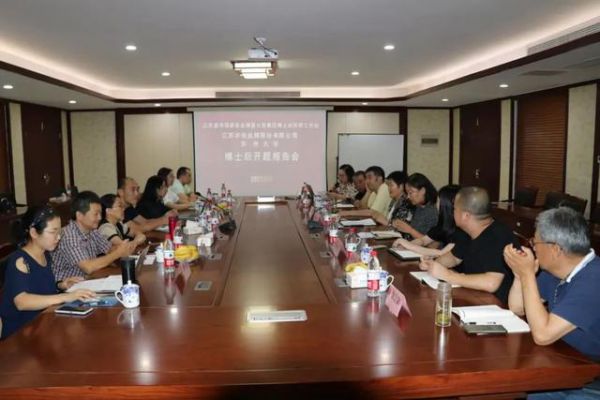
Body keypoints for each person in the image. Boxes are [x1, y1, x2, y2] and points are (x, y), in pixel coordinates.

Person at [504, 207, 600, 368]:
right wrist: (520, 275)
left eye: (535, 242)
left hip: (590, 368)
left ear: (555, 249)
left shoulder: (594, 279)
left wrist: (527, 275)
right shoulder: (555, 270)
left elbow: (543, 336)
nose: (533, 247)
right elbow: (518, 308)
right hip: (563, 355)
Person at [0, 206, 96, 339]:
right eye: (53, 232)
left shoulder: (45, 255)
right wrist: (66, 297)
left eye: (60, 232)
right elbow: (22, 302)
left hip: (41, 325)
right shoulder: (20, 261)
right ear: (34, 233)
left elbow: (38, 287)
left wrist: (60, 285)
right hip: (20, 334)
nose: (58, 237)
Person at [419, 186, 517, 304]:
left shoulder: (498, 235)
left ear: (465, 216)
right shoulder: (467, 230)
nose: (452, 212)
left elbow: (491, 283)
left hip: (496, 304)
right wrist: (433, 264)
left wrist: (448, 275)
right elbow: (454, 258)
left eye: (455, 209)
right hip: (472, 295)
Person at [51, 191, 136, 281]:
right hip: (68, 285)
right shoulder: (69, 236)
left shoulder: (92, 231)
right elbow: (88, 267)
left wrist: (124, 247)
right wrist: (118, 253)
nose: (100, 218)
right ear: (79, 215)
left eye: (100, 213)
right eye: (95, 214)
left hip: (88, 280)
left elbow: (109, 249)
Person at [394, 184, 466, 257]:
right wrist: (406, 246)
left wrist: (409, 245)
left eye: (438, 201)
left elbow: (441, 253)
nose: (436, 205)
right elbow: (423, 240)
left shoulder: (462, 230)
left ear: (446, 205)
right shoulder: (443, 223)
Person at [342, 171, 411, 225]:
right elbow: (364, 208)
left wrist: (386, 222)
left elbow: (398, 227)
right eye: (388, 185)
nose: (388, 188)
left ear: (401, 186)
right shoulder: (394, 200)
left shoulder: (405, 203)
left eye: (391, 185)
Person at [392, 173, 438, 239]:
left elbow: (431, 242)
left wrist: (409, 230)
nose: (408, 196)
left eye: (411, 192)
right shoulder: (419, 206)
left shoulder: (432, 211)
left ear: (422, 191)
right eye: (407, 193)